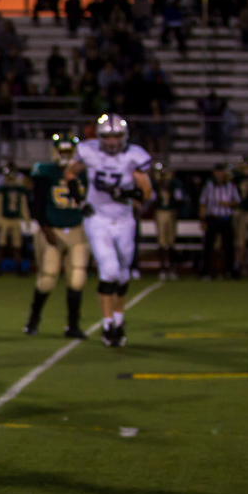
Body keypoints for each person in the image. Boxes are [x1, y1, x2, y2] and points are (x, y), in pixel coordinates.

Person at [64, 114, 152, 346]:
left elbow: (146, 192)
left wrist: (126, 194)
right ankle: (107, 325)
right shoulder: (89, 151)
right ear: (99, 137)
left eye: (116, 136)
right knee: (109, 270)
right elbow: (70, 173)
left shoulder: (134, 157)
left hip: (124, 221)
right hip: (98, 219)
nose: (112, 141)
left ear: (124, 137)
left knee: (123, 273)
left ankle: (119, 320)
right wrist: (80, 201)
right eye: (107, 136)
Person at [24, 134, 90, 337]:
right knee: (48, 278)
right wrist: (45, 228)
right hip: (52, 229)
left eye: (68, 152)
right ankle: (34, 318)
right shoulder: (46, 172)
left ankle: (73, 325)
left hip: (77, 230)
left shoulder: (85, 173)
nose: (65, 156)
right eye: (62, 152)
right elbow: (35, 204)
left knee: (77, 278)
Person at [199, 163, 240, 279]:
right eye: (217, 171)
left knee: (228, 247)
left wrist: (228, 204)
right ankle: (206, 272)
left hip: (226, 219)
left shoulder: (231, 186)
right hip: (212, 218)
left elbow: (237, 202)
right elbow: (203, 203)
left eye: (221, 171)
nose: (219, 174)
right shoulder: (209, 186)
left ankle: (230, 272)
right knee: (208, 247)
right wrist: (202, 220)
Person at [0, 162, 31, 276]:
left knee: (17, 244)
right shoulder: (2, 189)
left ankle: (19, 267)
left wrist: (26, 219)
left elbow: (23, 205)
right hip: (5, 218)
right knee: (2, 244)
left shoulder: (19, 189)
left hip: (15, 219)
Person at [151, 162, 183, 280]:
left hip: (171, 212)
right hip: (160, 212)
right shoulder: (156, 184)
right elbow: (152, 199)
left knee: (171, 241)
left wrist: (168, 187)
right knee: (161, 241)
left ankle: (172, 268)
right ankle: (163, 268)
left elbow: (179, 199)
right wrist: (160, 186)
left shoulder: (174, 184)